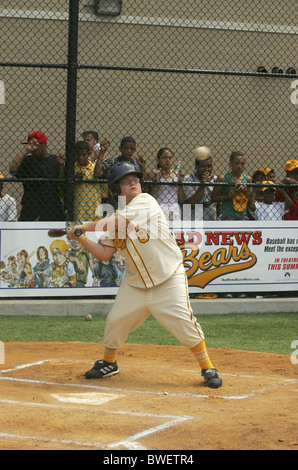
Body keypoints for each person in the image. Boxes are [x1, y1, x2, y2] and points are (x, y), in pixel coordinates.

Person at [67, 161, 223, 389]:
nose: (133, 184)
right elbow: (104, 254)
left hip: (168, 276)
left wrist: (82, 227)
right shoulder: (114, 219)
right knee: (115, 321)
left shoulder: (145, 201)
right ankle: (109, 363)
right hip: (136, 283)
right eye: (126, 181)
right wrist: (80, 238)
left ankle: (207, 366)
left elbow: (118, 221)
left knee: (184, 323)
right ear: (116, 189)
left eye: (135, 179)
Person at [9, 131, 65, 221]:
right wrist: (26, 151)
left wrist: (61, 166)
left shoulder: (54, 160)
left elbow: (61, 184)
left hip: (51, 207)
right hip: (31, 206)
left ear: (43, 145)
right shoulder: (28, 161)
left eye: (35, 144)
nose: (33, 148)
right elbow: (12, 169)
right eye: (30, 145)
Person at [95, 136, 148, 214]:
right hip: (114, 203)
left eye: (131, 149)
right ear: (120, 149)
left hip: (131, 203)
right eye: (126, 148)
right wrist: (102, 152)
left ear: (135, 150)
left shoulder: (136, 165)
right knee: (114, 224)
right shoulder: (112, 162)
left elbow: (144, 184)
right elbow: (97, 173)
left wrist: (143, 168)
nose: (129, 151)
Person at [211, 151, 251, 220]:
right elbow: (213, 198)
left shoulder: (248, 179)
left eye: (242, 164)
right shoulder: (223, 178)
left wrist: (245, 192)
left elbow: (249, 199)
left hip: (242, 215)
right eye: (237, 164)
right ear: (231, 164)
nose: (240, 166)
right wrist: (227, 196)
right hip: (226, 214)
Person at [148, 148, 185, 221]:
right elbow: (151, 197)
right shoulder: (152, 174)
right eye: (164, 158)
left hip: (174, 210)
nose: (168, 160)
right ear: (158, 159)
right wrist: (156, 182)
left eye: (170, 158)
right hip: (159, 208)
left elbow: (181, 199)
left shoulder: (176, 174)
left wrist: (181, 183)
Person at [183, 146, 218, 220]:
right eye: (202, 166)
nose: (206, 169)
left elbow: (217, 201)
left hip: (210, 219)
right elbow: (191, 205)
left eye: (209, 166)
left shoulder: (215, 180)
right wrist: (203, 185)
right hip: (192, 219)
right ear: (196, 166)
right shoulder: (188, 179)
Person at [74, 141, 104, 221]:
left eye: (84, 155)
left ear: (89, 153)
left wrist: (102, 152)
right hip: (79, 212)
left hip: (95, 211)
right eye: (78, 154)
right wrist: (75, 177)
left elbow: (97, 173)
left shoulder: (94, 167)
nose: (80, 157)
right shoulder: (72, 169)